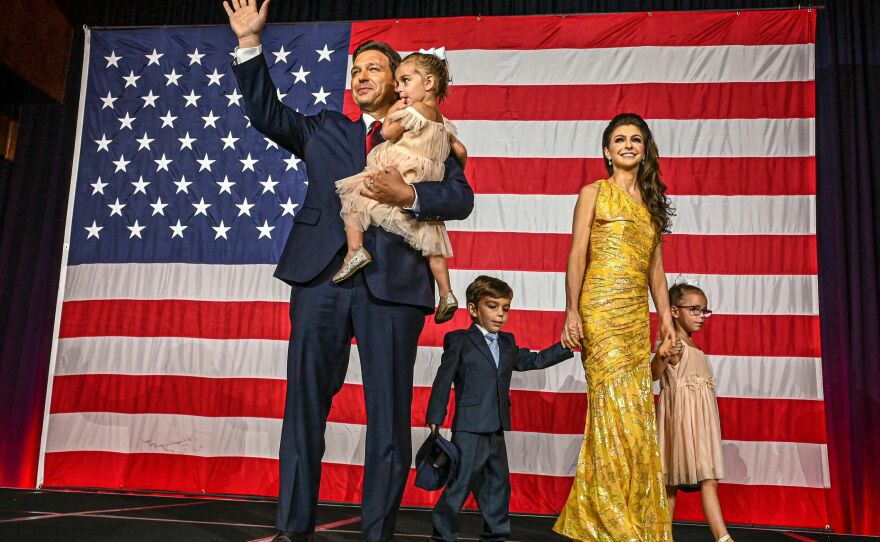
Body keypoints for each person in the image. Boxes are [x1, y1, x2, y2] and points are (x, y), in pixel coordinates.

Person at [223, 1, 474, 541]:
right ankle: (293, 529)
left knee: (388, 416)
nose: (361, 77)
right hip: (321, 280)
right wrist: (248, 44)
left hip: (394, 286)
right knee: (304, 406)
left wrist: (411, 195)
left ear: (400, 80)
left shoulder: (427, 132)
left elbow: (461, 197)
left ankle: (377, 534)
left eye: (374, 69)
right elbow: (266, 113)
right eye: (356, 70)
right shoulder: (324, 128)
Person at [554, 113, 676, 541]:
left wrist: (667, 320)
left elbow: (656, 271)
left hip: (634, 318)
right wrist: (571, 311)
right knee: (611, 409)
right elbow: (577, 254)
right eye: (619, 139)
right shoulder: (594, 193)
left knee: (636, 413)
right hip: (600, 311)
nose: (628, 145)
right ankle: (610, 519)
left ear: (645, 150)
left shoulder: (652, 204)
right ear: (607, 151)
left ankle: (630, 514)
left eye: (635, 139)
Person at [425, 275, 573, 541]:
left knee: (497, 485)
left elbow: (534, 360)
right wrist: (436, 416)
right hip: (469, 428)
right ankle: (442, 536)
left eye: (505, 308)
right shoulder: (459, 340)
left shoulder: (507, 342)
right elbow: (443, 379)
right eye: (492, 306)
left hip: (496, 428)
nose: (500, 314)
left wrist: (565, 346)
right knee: (460, 484)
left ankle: (496, 535)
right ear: (473, 309)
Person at [333, 51, 468, 323]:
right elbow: (461, 151)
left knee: (354, 196)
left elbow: (388, 133)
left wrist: (393, 113)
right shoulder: (444, 123)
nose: (399, 89)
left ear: (428, 83)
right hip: (426, 176)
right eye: (398, 83)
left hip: (399, 168)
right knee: (433, 241)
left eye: (405, 81)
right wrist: (439, 170)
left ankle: (355, 250)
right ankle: (446, 293)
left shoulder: (412, 111)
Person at [652, 283, 732, 542]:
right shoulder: (672, 342)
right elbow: (653, 374)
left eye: (704, 311)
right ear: (675, 311)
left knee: (708, 479)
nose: (701, 316)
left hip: (701, 422)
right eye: (694, 310)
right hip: (681, 419)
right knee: (671, 484)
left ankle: (722, 537)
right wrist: (662, 356)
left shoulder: (694, 346)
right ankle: (664, 537)